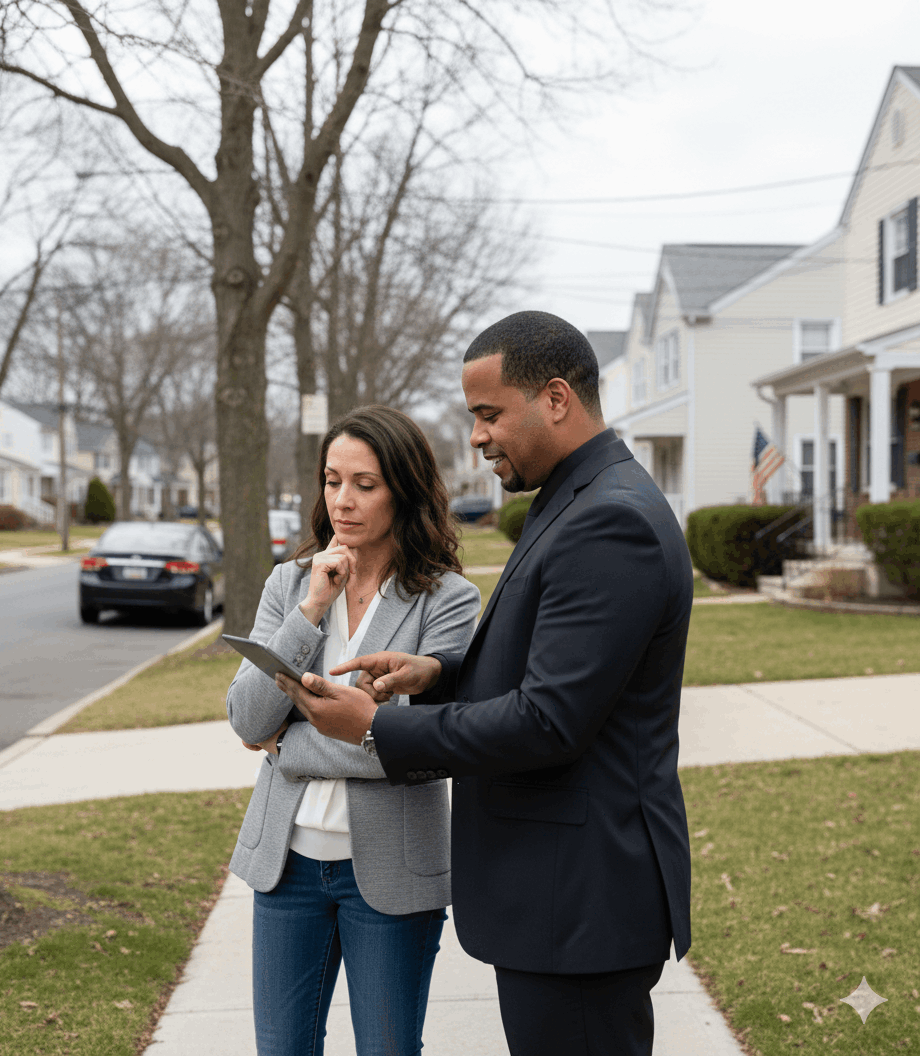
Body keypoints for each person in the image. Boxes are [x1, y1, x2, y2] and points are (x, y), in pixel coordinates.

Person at [275, 311, 694, 1056]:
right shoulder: (573, 499)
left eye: (489, 414)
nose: (476, 436)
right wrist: (435, 672)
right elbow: (552, 668)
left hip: (578, 902)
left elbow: (548, 722)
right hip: (558, 899)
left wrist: (374, 727)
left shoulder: (609, 521)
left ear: (556, 398)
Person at [226, 404, 480, 1056]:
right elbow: (249, 719)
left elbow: (430, 750)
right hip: (288, 870)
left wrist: (291, 749)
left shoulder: (447, 601)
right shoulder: (290, 584)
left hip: (394, 876)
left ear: (405, 489)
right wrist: (312, 607)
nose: (343, 499)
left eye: (364, 484)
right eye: (333, 480)